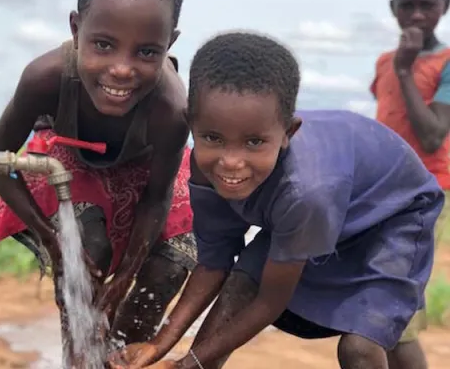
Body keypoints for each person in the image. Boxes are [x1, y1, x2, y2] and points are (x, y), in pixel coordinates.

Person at [109, 31, 443, 369]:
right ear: (191, 124)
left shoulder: (304, 192)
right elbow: (214, 263)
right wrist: (160, 345)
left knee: (360, 346)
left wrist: (185, 364)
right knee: (238, 287)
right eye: (213, 137)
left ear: (288, 134)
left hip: (393, 215)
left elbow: (271, 300)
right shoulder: (205, 169)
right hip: (328, 207)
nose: (231, 161)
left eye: (253, 142)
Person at [0, 0, 196, 365]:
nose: (122, 69)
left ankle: (121, 357)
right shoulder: (46, 78)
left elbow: (158, 197)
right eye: (104, 44)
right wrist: (51, 239)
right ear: (77, 30)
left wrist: (127, 274)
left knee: (169, 265)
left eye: (147, 52)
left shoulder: (171, 109)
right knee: (84, 253)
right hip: (70, 163)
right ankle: (79, 358)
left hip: (145, 173)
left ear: (170, 44)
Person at [371, 0, 450, 366]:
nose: (417, 15)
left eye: (428, 5)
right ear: (393, 8)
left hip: (425, 194)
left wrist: (406, 69)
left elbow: (434, 135)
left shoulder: (446, 63)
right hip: (383, 195)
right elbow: (384, 126)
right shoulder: (384, 61)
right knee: (379, 315)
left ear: (445, 7)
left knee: (394, 314)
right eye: (407, 5)